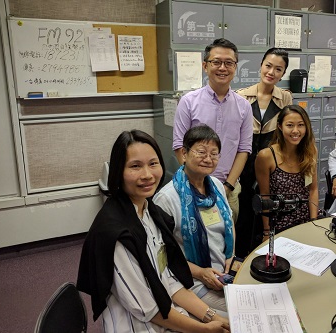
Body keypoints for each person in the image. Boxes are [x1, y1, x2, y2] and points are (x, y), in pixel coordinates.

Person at [77, 130, 230, 333]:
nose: (147, 175)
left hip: (166, 310)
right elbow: (147, 310)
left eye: (153, 163)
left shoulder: (149, 212)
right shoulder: (117, 235)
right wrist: (204, 328)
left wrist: (212, 317)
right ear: (118, 171)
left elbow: (168, 279)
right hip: (140, 326)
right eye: (135, 166)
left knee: (232, 319)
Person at [154, 125, 234, 317]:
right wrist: (201, 273)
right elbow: (162, 258)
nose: (208, 159)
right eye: (201, 152)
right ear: (184, 153)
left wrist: (230, 258)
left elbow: (229, 224)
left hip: (223, 274)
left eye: (214, 154)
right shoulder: (166, 199)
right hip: (192, 281)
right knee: (238, 315)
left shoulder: (216, 186)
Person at [172, 38, 253, 223]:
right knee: (194, 240)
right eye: (216, 62)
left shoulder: (244, 106)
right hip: (193, 187)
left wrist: (228, 186)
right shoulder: (188, 102)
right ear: (205, 66)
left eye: (229, 63)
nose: (222, 68)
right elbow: (179, 146)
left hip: (228, 190)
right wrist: (196, 182)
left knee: (227, 243)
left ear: (235, 67)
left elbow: (244, 149)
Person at [235, 48, 293, 256]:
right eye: (268, 66)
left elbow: (287, 131)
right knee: (243, 212)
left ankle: (263, 253)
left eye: (278, 69)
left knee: (267, 209)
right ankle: (241, 255)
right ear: (260, 65)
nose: (271, 72)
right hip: (244, 163)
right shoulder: (241, 96)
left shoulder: (285, 98)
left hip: (271, 163)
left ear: (283, 73)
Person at [255, 105, 319, 241]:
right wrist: (267, 233)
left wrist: (313, 221)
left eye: (301, 125)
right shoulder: (266, 156)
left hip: (305, 222)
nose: (296, 131)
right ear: (279, 126)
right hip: (278, 224)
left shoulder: (310, 151)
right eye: (290, 125)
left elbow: (313, 190)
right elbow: (265, 198)